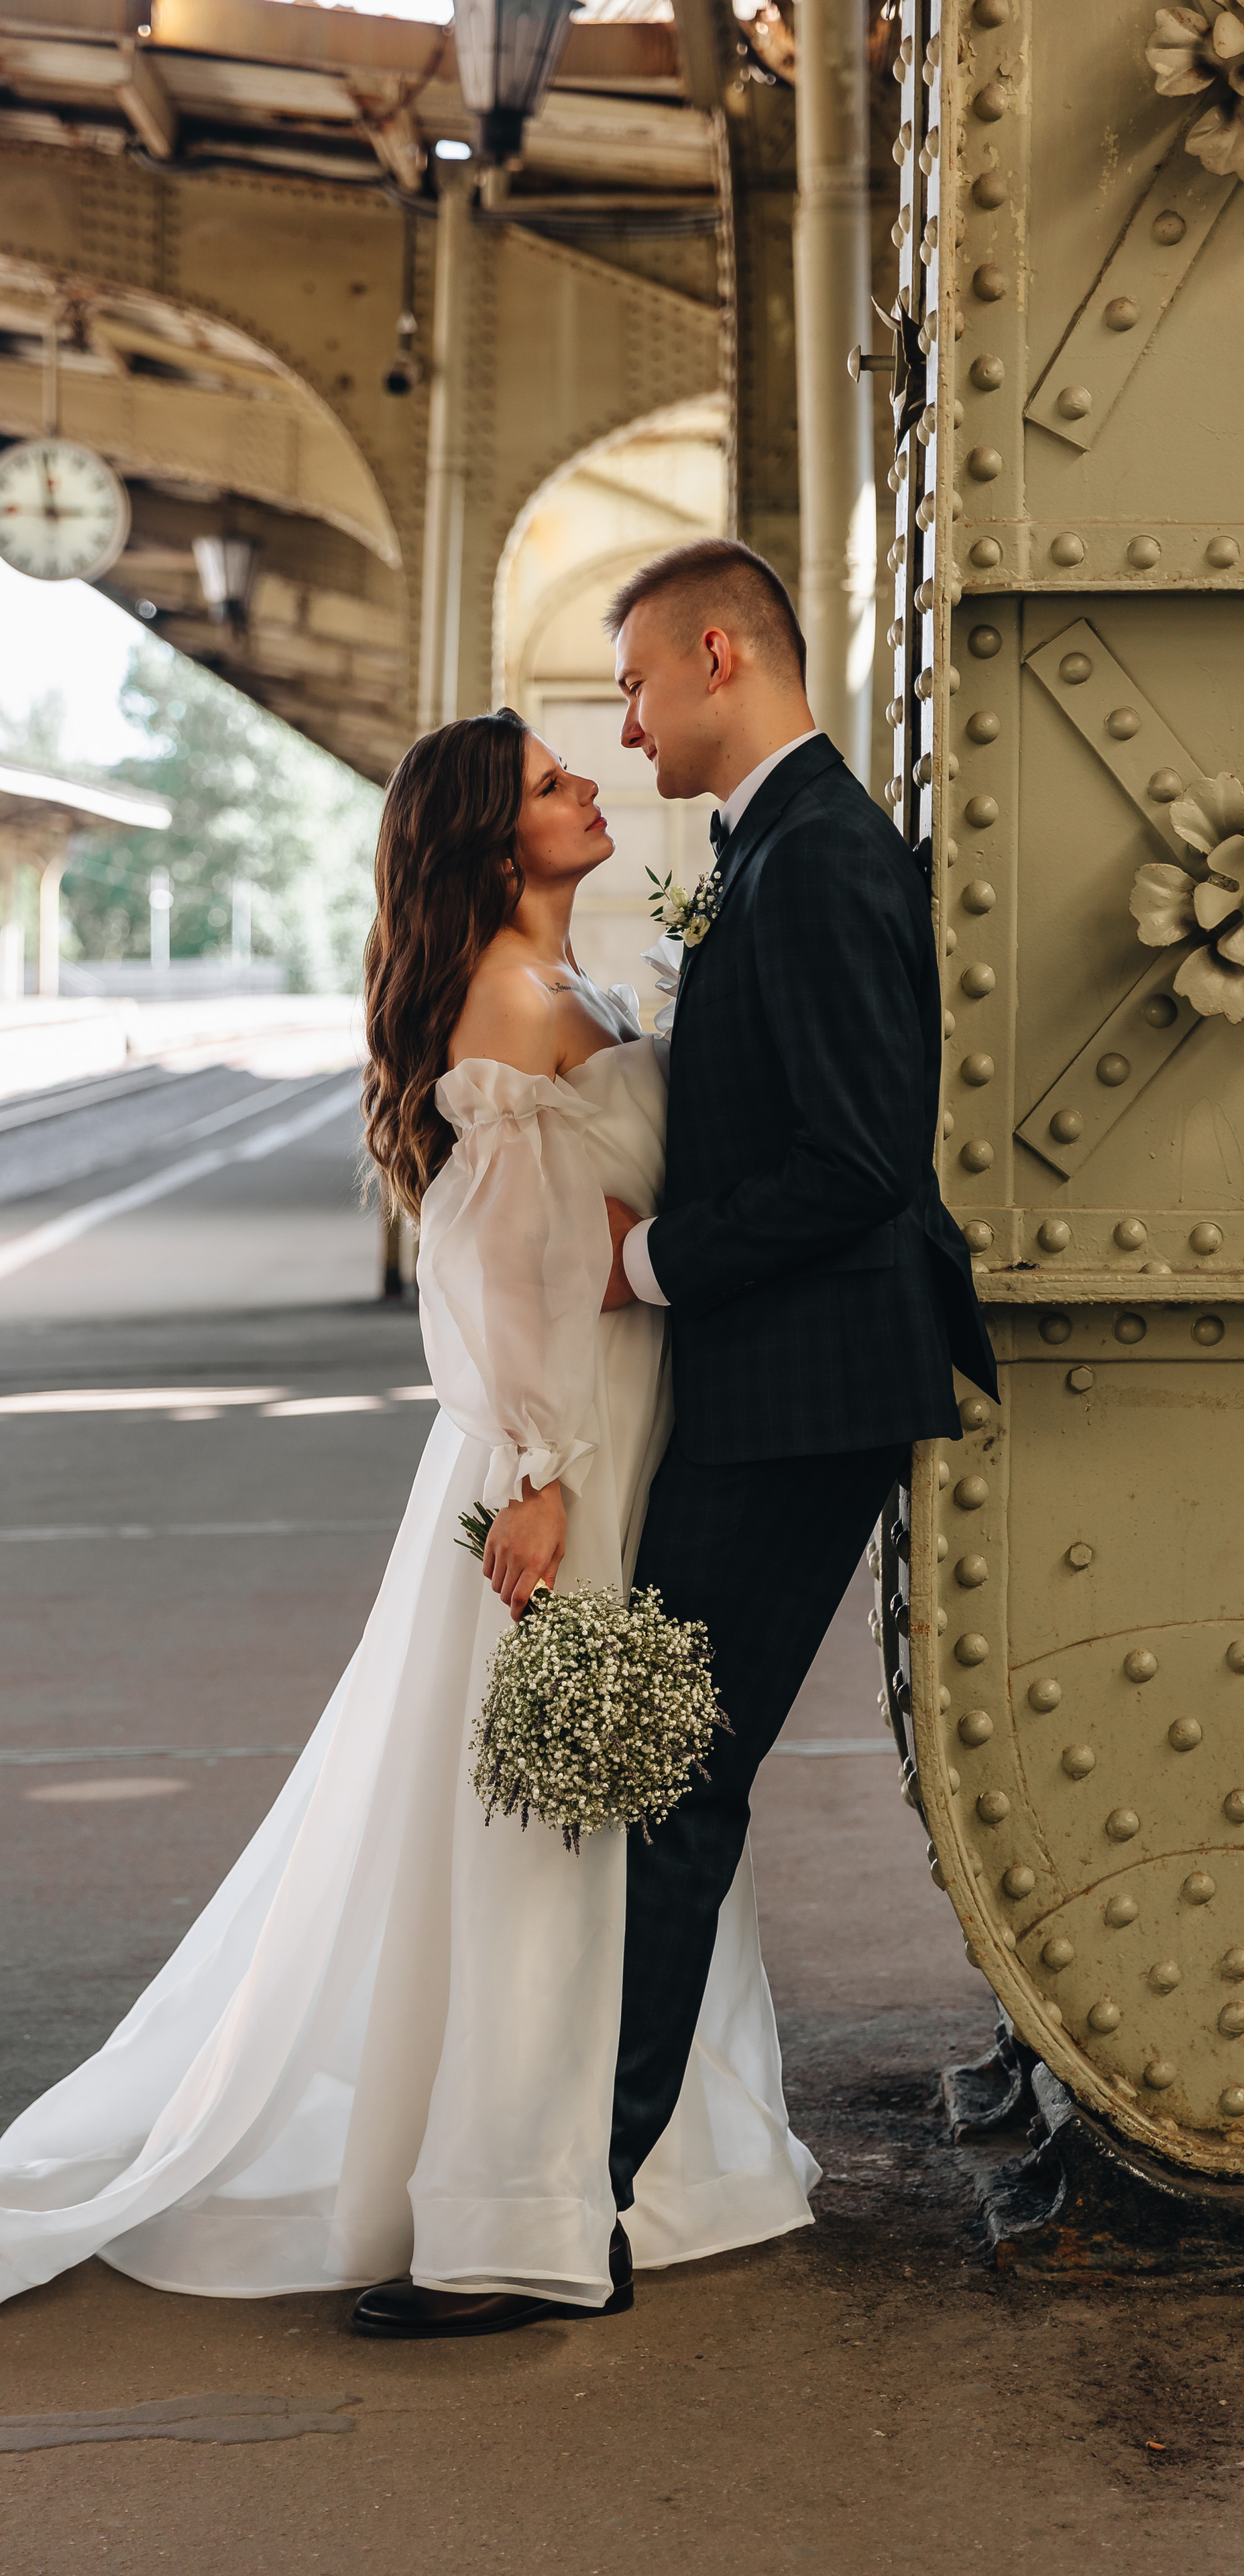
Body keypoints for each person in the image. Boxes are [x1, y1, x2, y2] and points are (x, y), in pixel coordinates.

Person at [0, 694, 818, 2337]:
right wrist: (544, 1473)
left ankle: (586, 2166)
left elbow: (585, 1223)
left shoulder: (560, 984)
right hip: (564, 1460)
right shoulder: (501, 997)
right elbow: (493, 1271)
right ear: (492, 840)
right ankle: (506, 2207)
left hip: (620, 1433)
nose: (587, 787)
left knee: (601, 1804)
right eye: (553, 785)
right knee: (543, 1827)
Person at [598, 538, 997, 2235]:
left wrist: (650, 1264)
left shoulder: (819, 858)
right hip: (778, 1389)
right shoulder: (774, 842)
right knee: (660, 1773)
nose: (622, 727)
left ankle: (577, 2200)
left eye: (627, 683)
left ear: (711, 654)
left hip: (797, 1395)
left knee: (665, 1779)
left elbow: (851, 1160)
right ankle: (593, 2168)